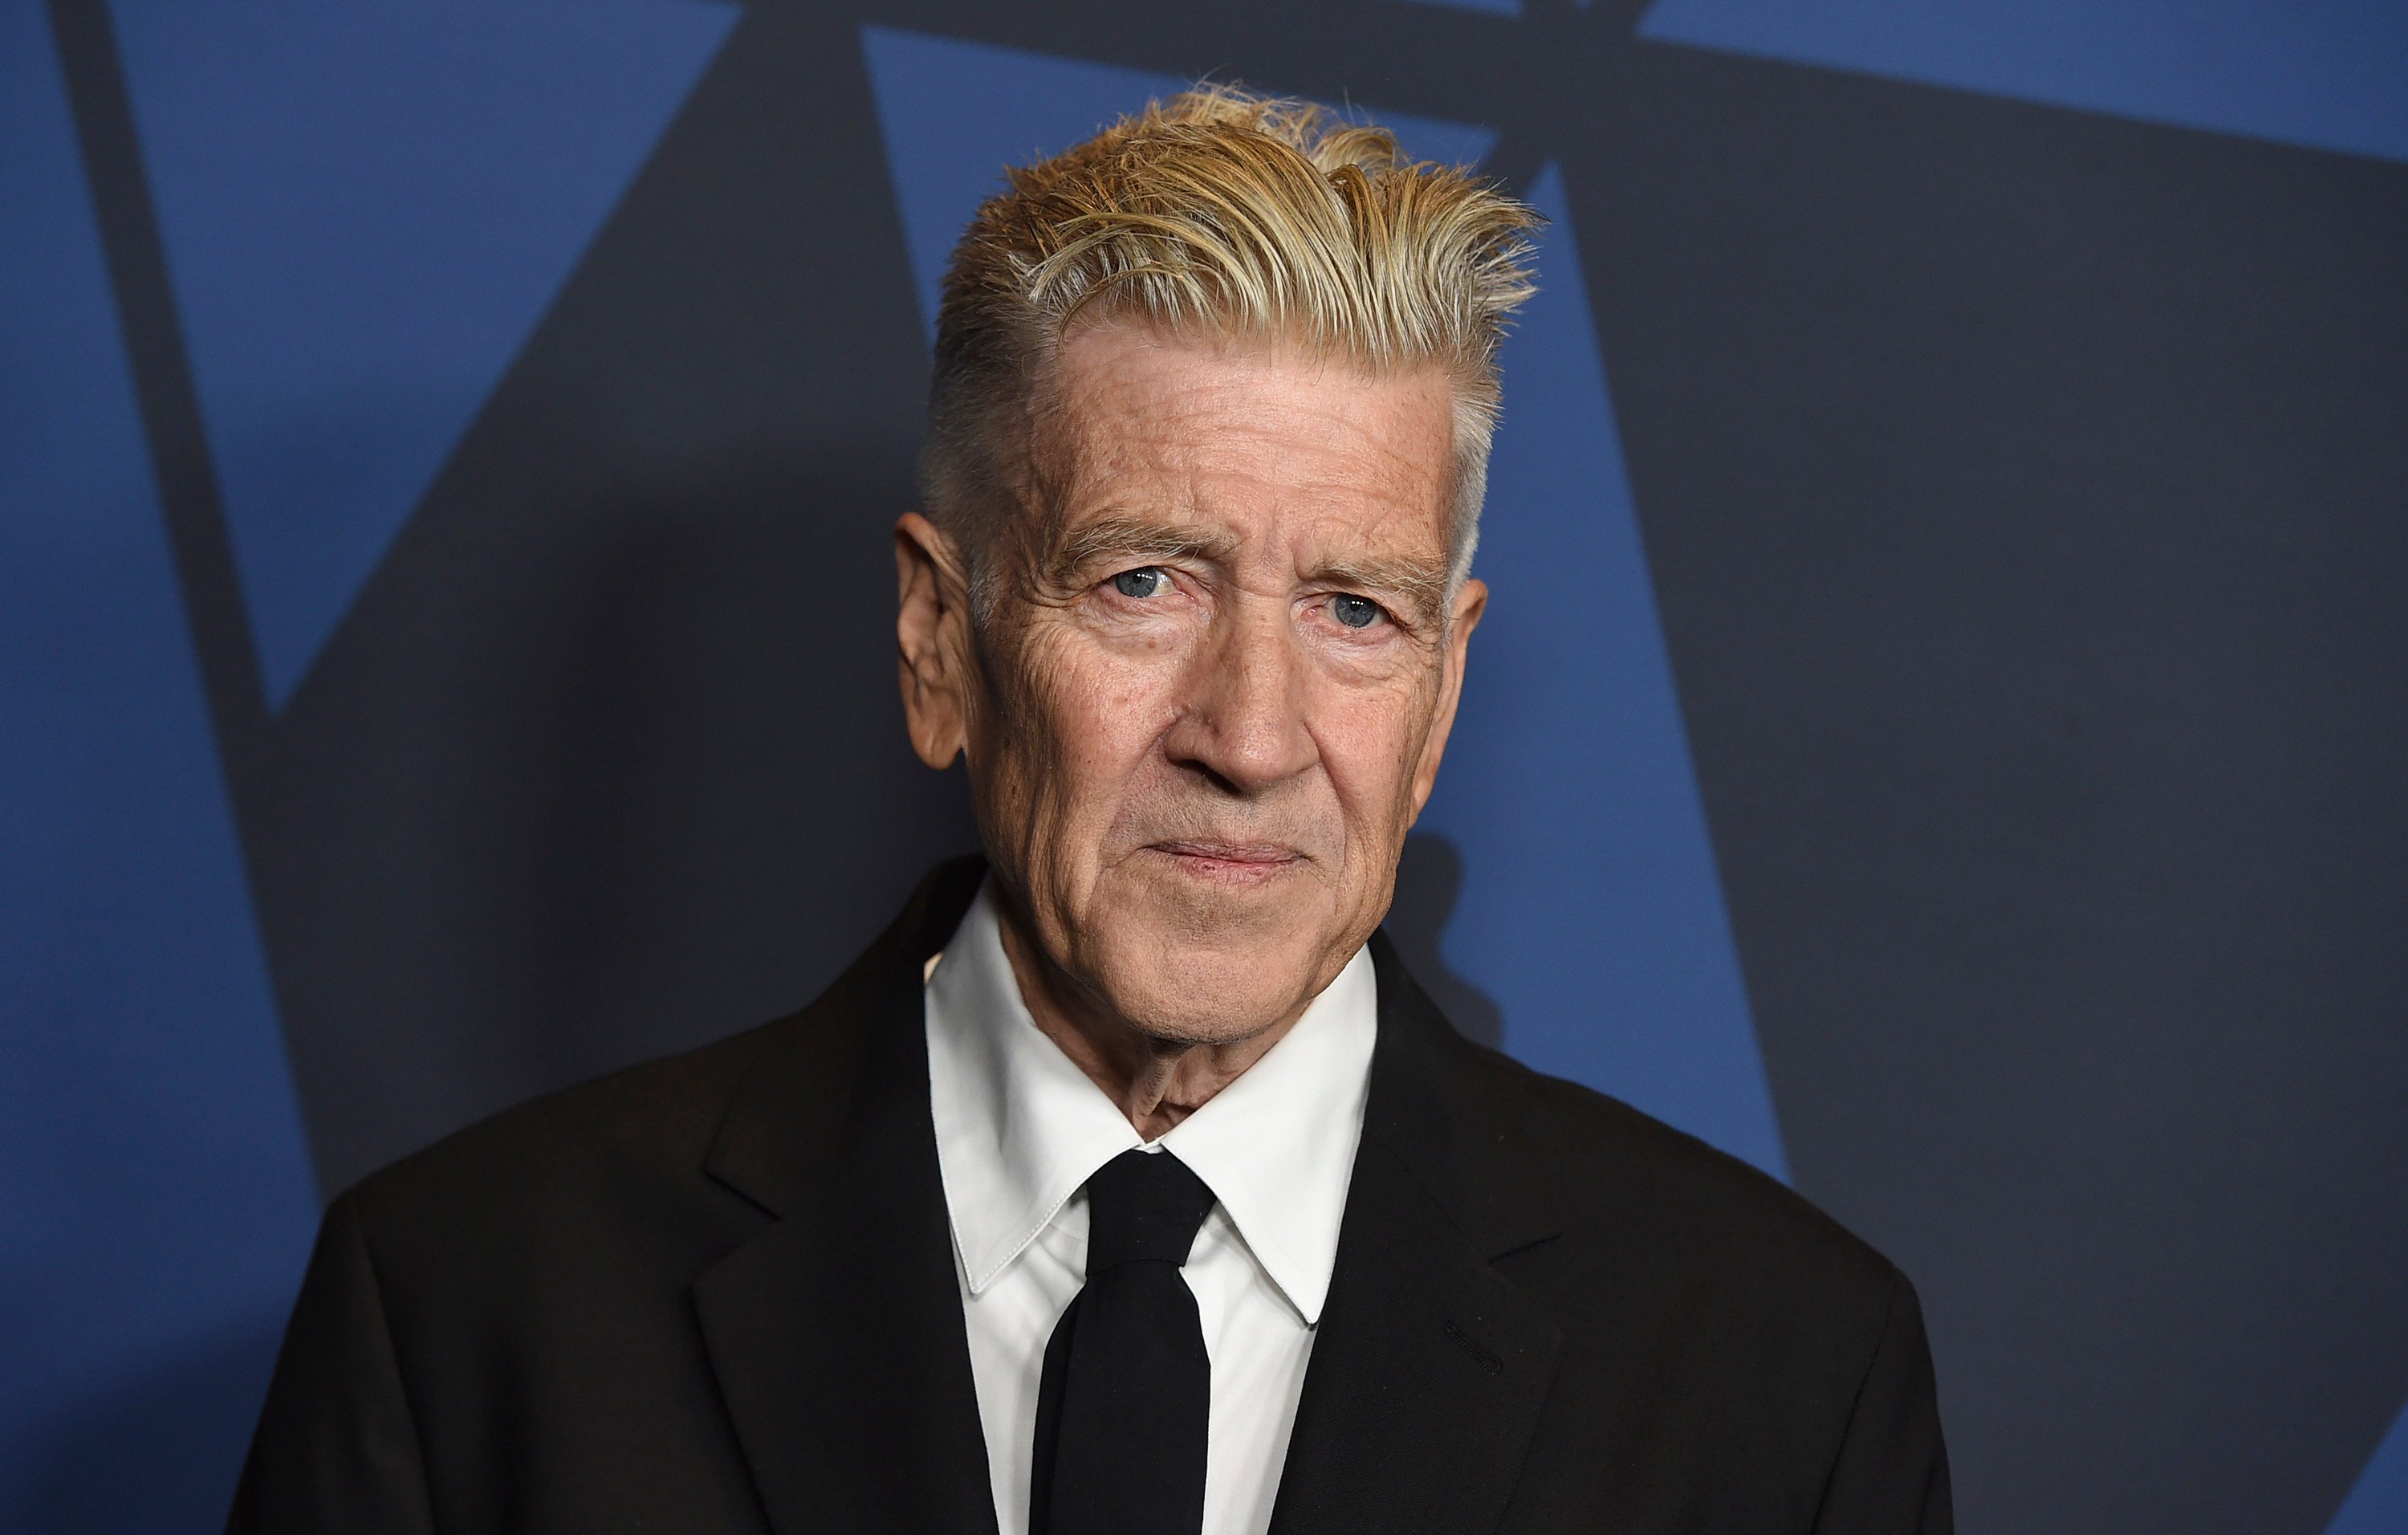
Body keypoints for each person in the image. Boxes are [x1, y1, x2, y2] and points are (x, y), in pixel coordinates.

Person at [230, 87, 1950, 1535]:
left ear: (1441, 696)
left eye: (1357, 608)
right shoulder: (467, 1313)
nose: (1252, 732)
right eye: (1143, 580)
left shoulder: (1781, 1375)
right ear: (939, 642)